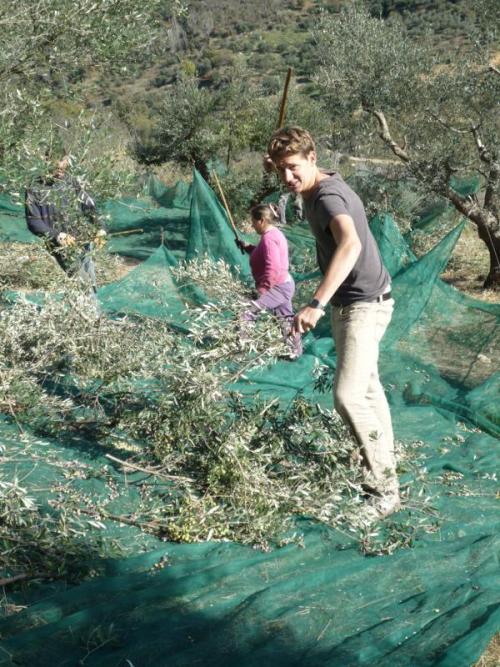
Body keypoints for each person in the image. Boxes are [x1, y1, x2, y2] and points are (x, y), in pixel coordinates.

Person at [266, 126, 399, 519]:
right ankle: (386, 465)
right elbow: (290, 171)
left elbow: (351, 244)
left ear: (312, 157)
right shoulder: (314, 186)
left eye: (293, 167)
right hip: (359, 301)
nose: (287, 176)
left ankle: (385, 491)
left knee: (347, 397)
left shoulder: (326, 197)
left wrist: (316, 303)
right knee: (369, 390)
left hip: (362, 306)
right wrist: (280, 164)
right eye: (280, 169)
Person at [25, 155, 106, 294]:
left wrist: (101, 228)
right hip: (62, 247)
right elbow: (34, 222)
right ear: (46, 160)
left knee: (91, 282)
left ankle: (91, 306)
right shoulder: (35, 187)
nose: (61, 166)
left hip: (83, 241)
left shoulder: (71, 181)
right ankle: (89, 307)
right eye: (57, 162)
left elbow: (90, 207)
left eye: (64, 161)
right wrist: (57, 236)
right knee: (82, 285)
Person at [235, 203, 303, 360]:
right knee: (286, 319)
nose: (252, 225)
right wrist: (247, 247)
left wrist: (263, 289)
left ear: (262, 220)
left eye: (253, 221)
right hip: (284, 284)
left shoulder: (269, 238)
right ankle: (295, 352)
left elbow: (273, 267)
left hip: (277, 286)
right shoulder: (273, 234)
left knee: (247, 311)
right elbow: (263, 254)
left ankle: (241, 349)